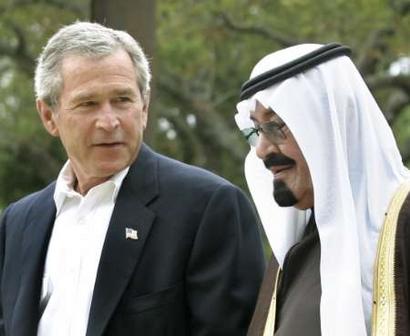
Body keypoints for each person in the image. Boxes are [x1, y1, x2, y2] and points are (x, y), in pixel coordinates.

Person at [0, 21, 265, 336]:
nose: (110, 121)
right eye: (88, 104)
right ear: (48, 116)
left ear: (145, 106)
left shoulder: (208, 208)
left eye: (123, 100)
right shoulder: (19, 222)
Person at [234, 43, 410, 336]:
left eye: (275, 127)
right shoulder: (290, 255)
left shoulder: (403, 223)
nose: (262, 150)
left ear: (330, 126)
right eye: (255, 131)